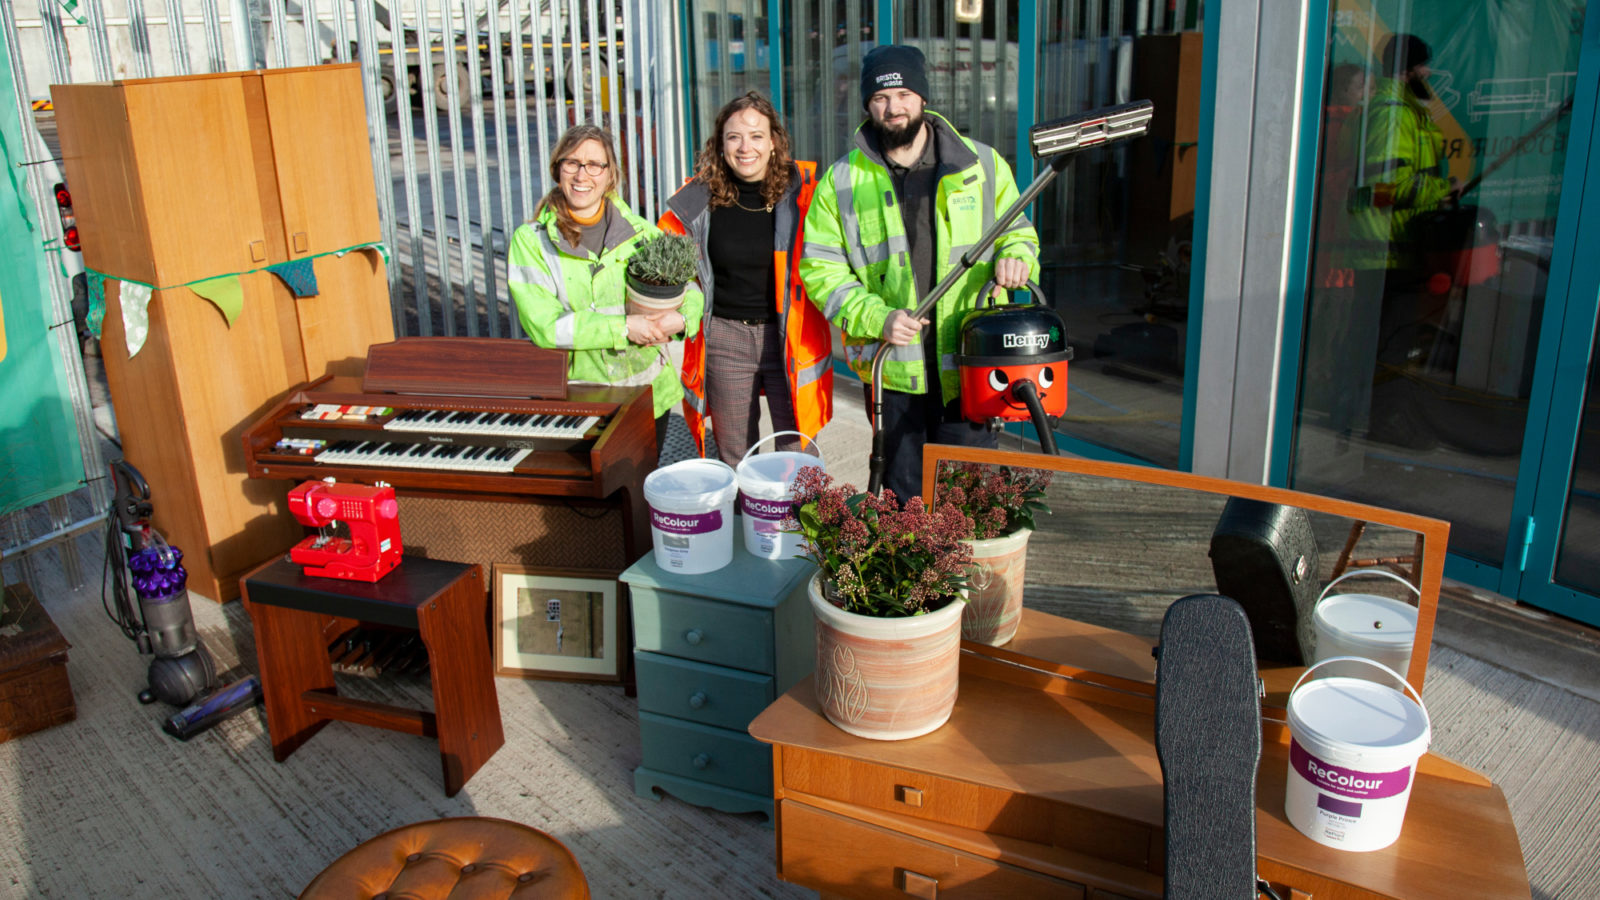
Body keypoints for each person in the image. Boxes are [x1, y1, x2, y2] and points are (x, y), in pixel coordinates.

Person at [800, 44, 1039, 503]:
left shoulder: (982, 165)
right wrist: (876, 318)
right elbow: (822, 269)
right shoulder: (842, 181)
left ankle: (966, 577)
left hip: (968, 364)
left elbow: (1019, 232)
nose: (893, 108)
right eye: (880, 98)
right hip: (891, 370)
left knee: (968, 500)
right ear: (868, 104)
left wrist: (1017, 257)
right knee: (903, 501)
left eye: (904, 93)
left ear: (923, 97)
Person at [658, 91, 834, 465]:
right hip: (725, 339)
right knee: (736, 456)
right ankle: (742, 524)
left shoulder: (806, 194)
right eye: (734, 136)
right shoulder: (697, 199)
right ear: (720, 145)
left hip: (790, 337)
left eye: (756, 136)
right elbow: (668, 267)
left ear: (774, 143)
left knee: (798, 456)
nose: (745, 147)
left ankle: (795, 525)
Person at [507, 124, 703, 457]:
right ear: (558, 169)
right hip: (582, 396)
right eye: (572, 163)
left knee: (641, 492)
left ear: (610, 175)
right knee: (592, 501)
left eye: (595, 165)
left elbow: (690, 288)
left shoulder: (639, 232)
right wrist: (624, 328)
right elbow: (546, 326)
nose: (583, 174)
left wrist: (682, 319)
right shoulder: (532, 241)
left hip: (648, 393)